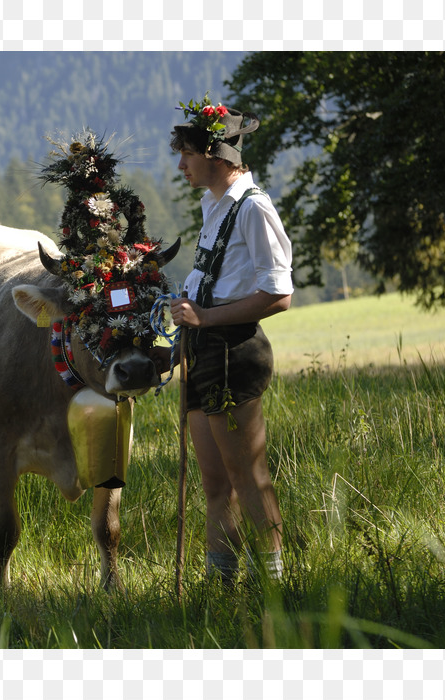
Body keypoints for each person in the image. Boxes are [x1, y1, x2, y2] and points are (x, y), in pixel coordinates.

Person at [168, 96, 294, 585]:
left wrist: (205, 317)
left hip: (234, 351)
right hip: (203, 350)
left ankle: (274, 585)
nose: (181, 164)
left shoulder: (253, 208)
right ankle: (220, 587)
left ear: (215, 155)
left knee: (248, 478)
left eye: (187, 154)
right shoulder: (214, 205)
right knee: (216, 483)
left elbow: (278, 295)